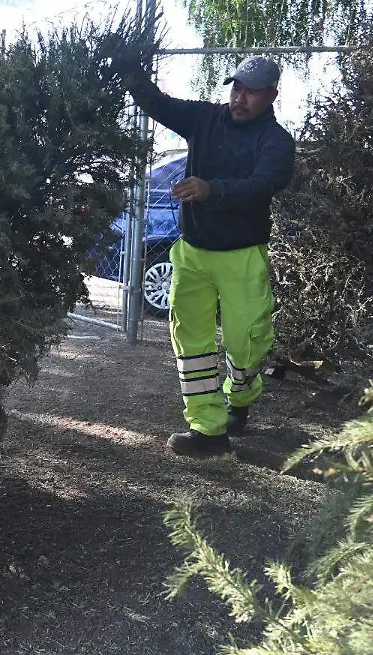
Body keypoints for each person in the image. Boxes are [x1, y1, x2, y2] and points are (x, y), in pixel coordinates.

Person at [114, 55, 296, 456]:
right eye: (236, 88)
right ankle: (207, 430)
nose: (239, 97)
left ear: (272, 96)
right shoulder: (204, 118)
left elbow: (263, 184)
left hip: (242, 256)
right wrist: (126, 63)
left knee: (246, 343)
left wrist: (211, 189)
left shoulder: (276, 142)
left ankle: (240, 401)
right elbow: (157, 103)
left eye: (251, 92)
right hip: (192, 253)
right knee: (190, 340)